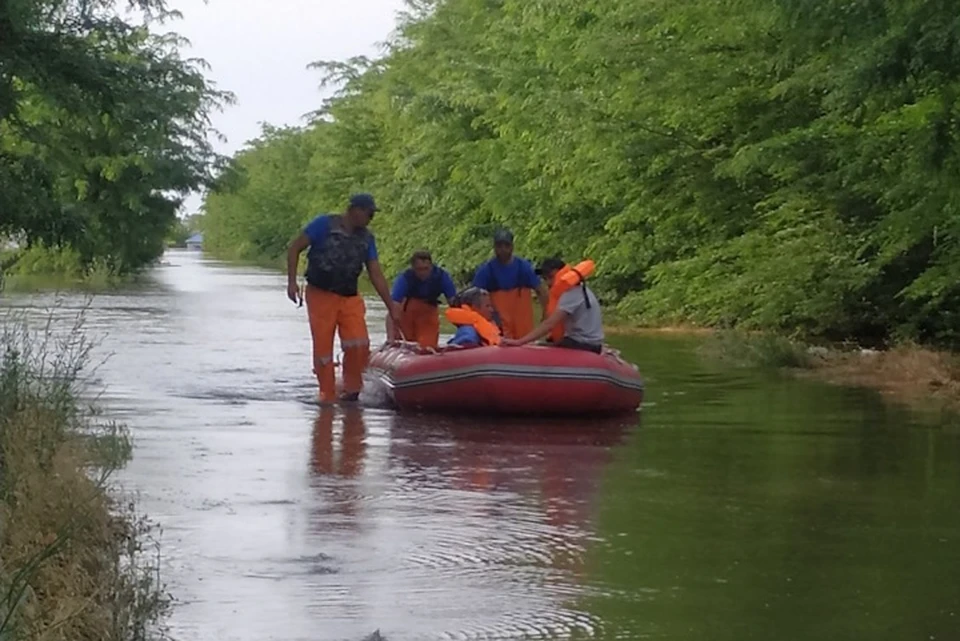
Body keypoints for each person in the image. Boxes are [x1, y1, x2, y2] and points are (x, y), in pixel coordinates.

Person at [286, 193, 401, 404]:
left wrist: (390, 305)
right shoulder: (324, 224)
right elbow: (294, 248)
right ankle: (326, 394)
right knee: (323, 349)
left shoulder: (367, 238)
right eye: (369, 213)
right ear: (354, 210)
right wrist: (292, 282)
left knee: (359, 343)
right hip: (321, 294)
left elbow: (375, 272)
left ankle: (352, 391)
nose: (370, 219)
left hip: (349, 296)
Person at [500, 258, 604, 353]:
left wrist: (520, 342)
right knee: (545, 343)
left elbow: (549, 324)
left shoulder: (571, 292)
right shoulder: (579, 289)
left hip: (585, 344)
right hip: (584, 341)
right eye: (545, 278)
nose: (548, 282)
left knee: (540, 348)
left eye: (550, 277)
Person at [471, 229, 548, 339]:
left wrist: (545, 315)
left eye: (506, 245)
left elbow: (541, 291)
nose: (502, 249)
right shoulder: (486, 270)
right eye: (499, 246)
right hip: (500, 324)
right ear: (494, 247)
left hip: (523, 325)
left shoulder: (524, 268)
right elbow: (473, 297)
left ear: (512, 247)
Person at [387, 250, 457, 348]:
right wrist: (390, 338)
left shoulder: (442, 277)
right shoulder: (405, 278)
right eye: (419, 269)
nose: (423, 273)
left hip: (428, 315)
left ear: (431, 266)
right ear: (413, 268)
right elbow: (393, 308)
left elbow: (454, 304)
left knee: (428, 347)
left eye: (426, 269)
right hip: (406, 314)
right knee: (403, 345)